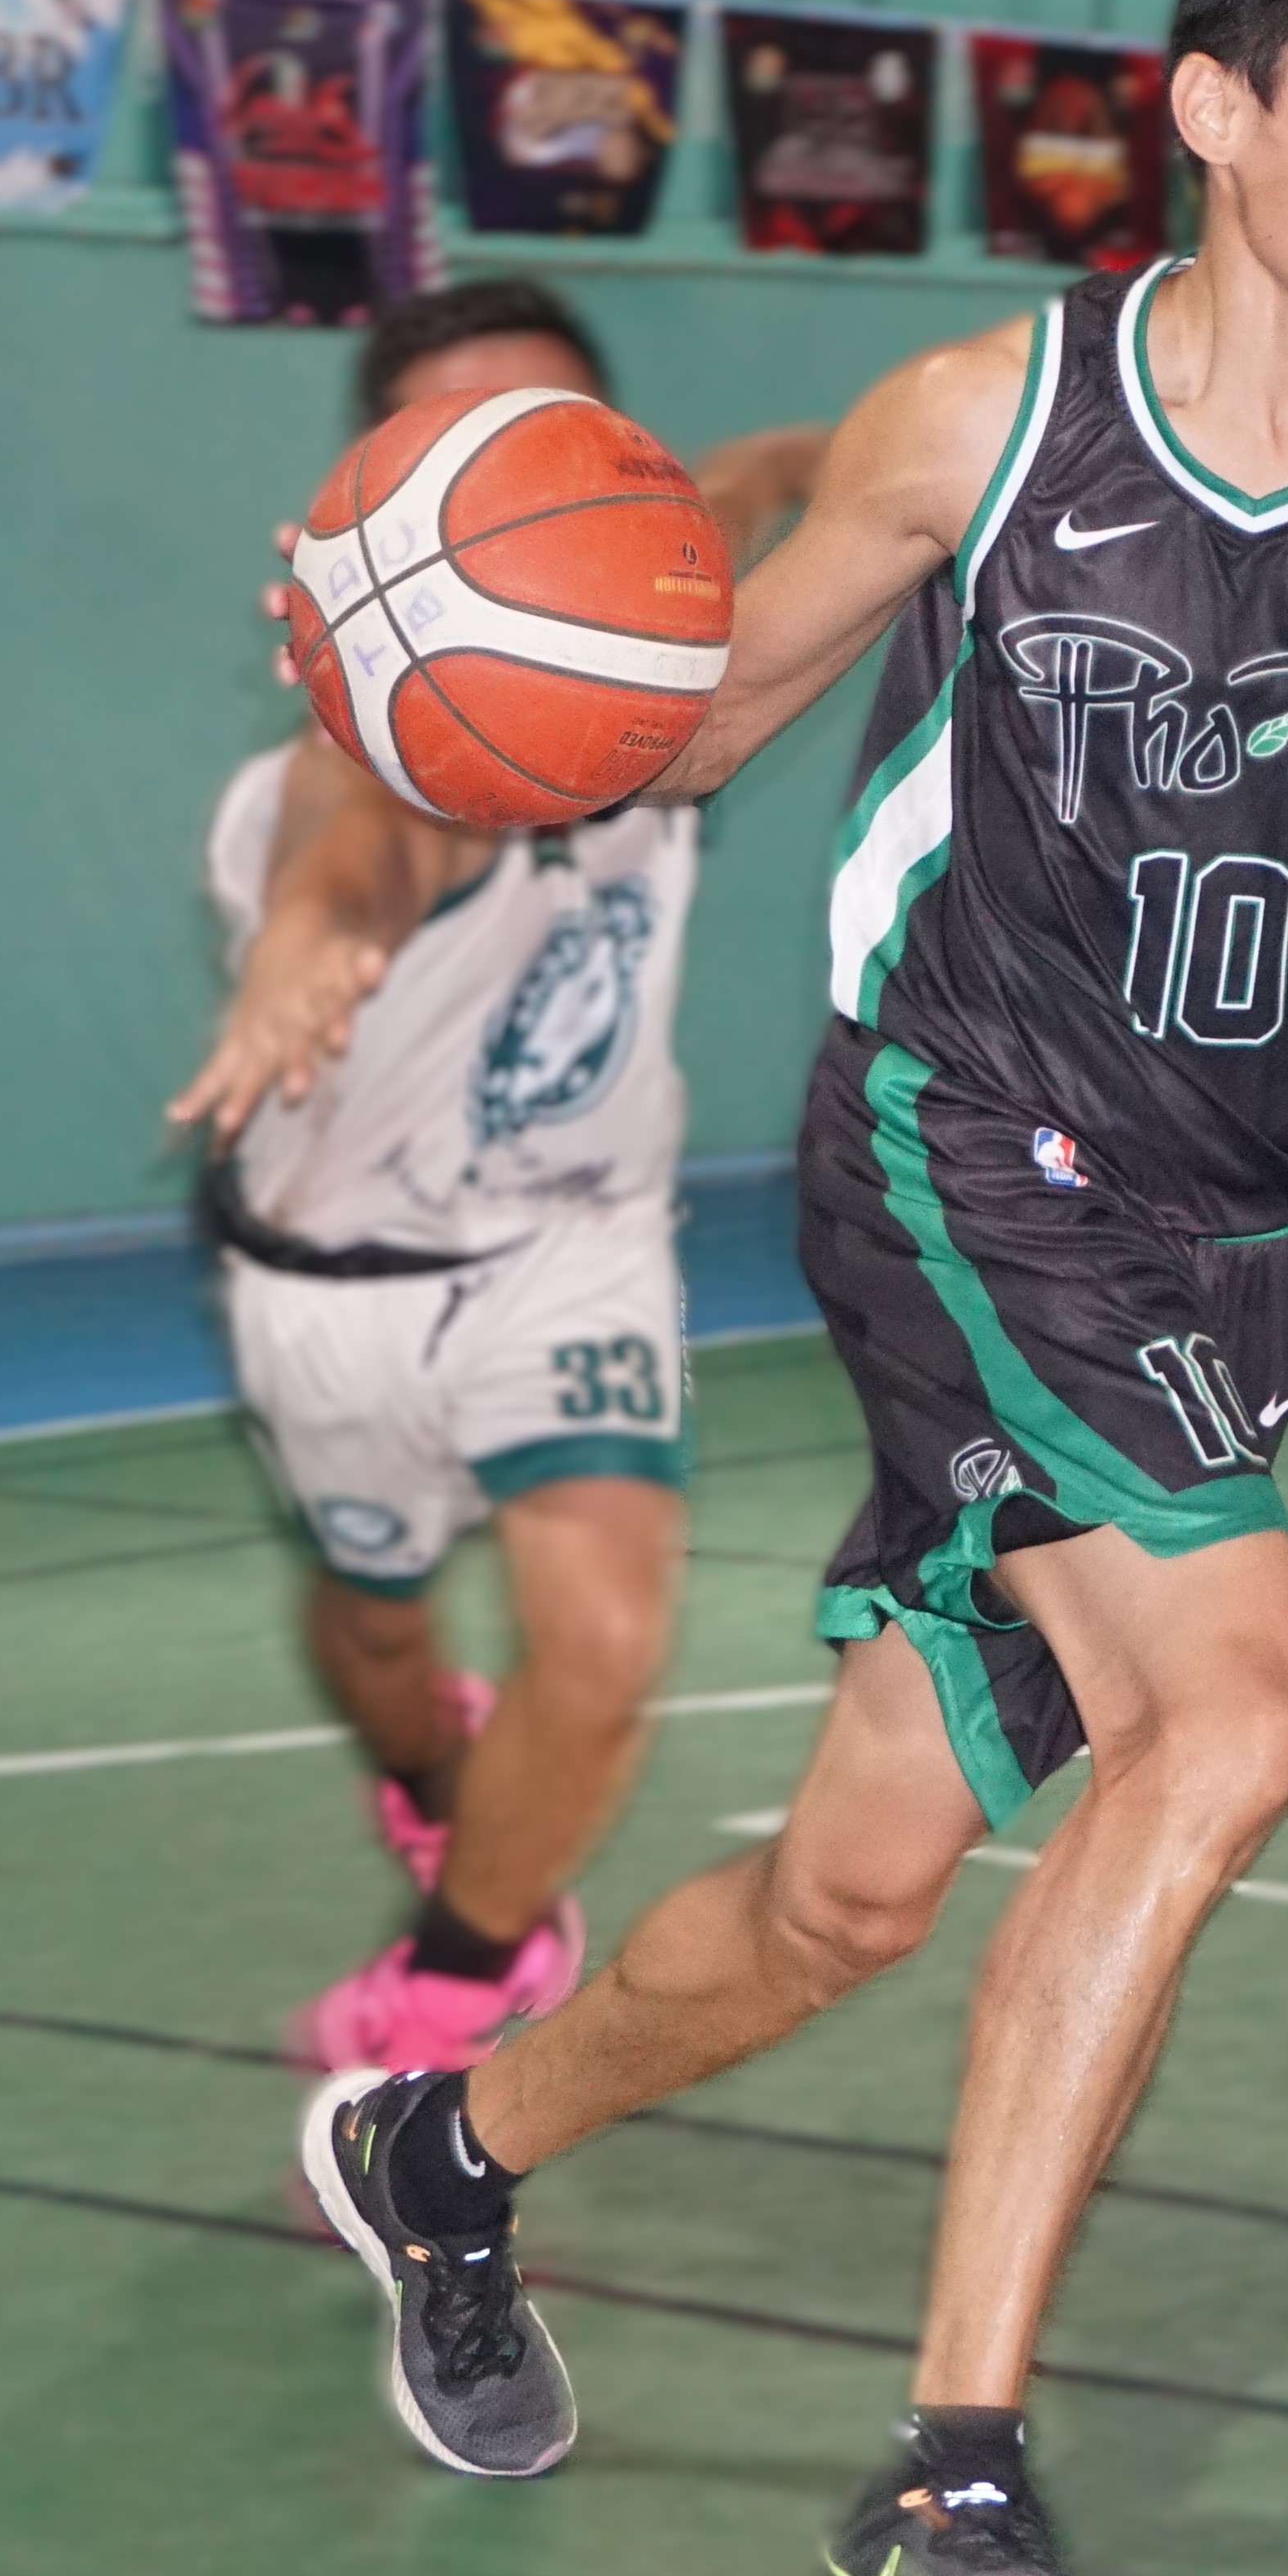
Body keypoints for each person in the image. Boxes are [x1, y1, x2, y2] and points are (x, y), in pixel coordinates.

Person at [292, 0, 1288, 2576]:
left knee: (849, 1897)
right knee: (1238, 1712)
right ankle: (950, 2503)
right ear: (1217, 113)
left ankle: (442, 2148)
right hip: (960, 1152)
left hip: (1234, 1239)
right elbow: (664, 725)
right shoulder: (989, 421)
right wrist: (421, 661)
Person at [172, 280, 757, 2076]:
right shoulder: (337, 764)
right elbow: (359, 846)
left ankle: (452, 1979)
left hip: (567, 1249)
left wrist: (862, 469)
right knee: (375, 1630)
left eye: (556, 440)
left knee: (601, 1638)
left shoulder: (658, 644)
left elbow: (780, 480)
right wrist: (300, 951)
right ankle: (434, 1774)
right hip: (330, 1284)